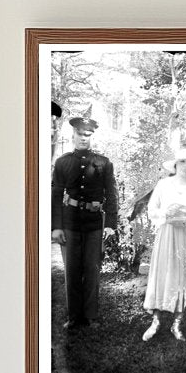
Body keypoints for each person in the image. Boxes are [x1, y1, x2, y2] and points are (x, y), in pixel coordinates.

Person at [50, 116, 117, 330]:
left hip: (94, 224)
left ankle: (91, 316)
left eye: (87, 135)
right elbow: (56, 195)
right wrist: (56, 227)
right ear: (73, 135)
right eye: (80, 134)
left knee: (92, 270)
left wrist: (110, 224)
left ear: (92, 137)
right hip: (70, 223)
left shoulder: (103, 163)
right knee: (71, 270)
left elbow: (111, 194)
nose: (83, 138)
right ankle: (73, 316)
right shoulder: (63, 162)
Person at [142, 148, 186, 341]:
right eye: (182, 162)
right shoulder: (163, 185)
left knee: (184, 276)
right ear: (175, 164)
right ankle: (155, 322)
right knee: (163, 274)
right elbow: (152, 209)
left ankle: (177, 324)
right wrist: (167, 216)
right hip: (168, 235)